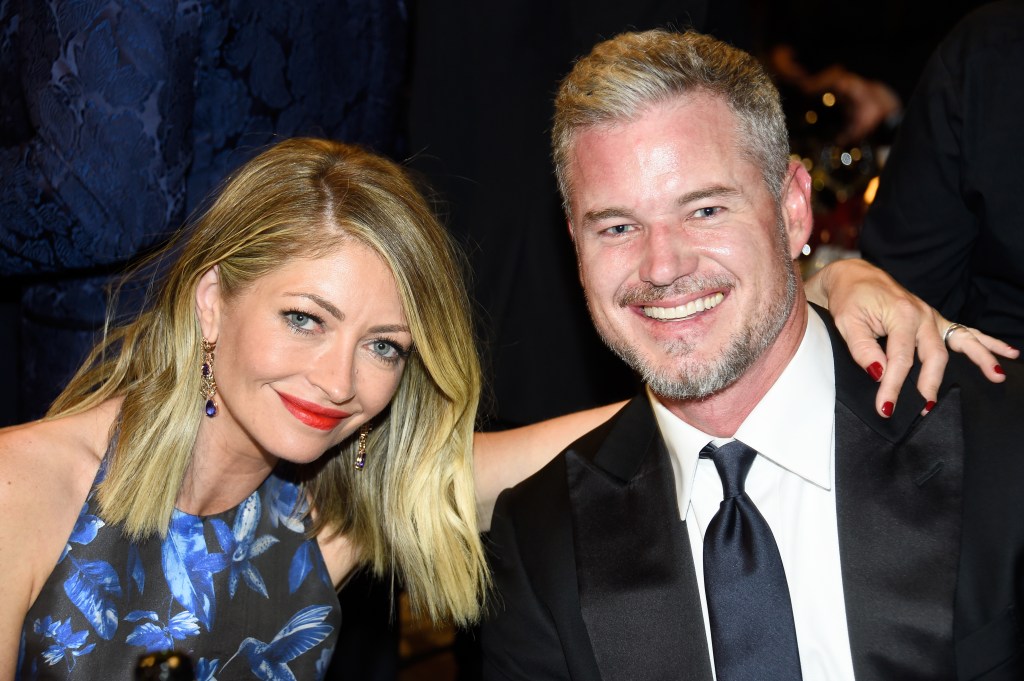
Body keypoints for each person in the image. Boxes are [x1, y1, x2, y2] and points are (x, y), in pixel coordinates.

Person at [480, 28, 1023, 680]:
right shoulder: (539, 546)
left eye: (705, 210)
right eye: (618, 227)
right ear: (575, 243)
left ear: (794, 209)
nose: (662, 266)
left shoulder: (998, 437)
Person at [1, 138, 487, 679]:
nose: (338, 383)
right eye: (304, 319)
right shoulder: (20, 489)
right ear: (211, 302)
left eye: (383, 346)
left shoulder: (320, 519)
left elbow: (551, 465)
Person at [859, 0, 1024, 350]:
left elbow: (904, 281)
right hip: (989, 362)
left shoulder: (990, 50)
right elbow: (900, 295)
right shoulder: (989, 52)